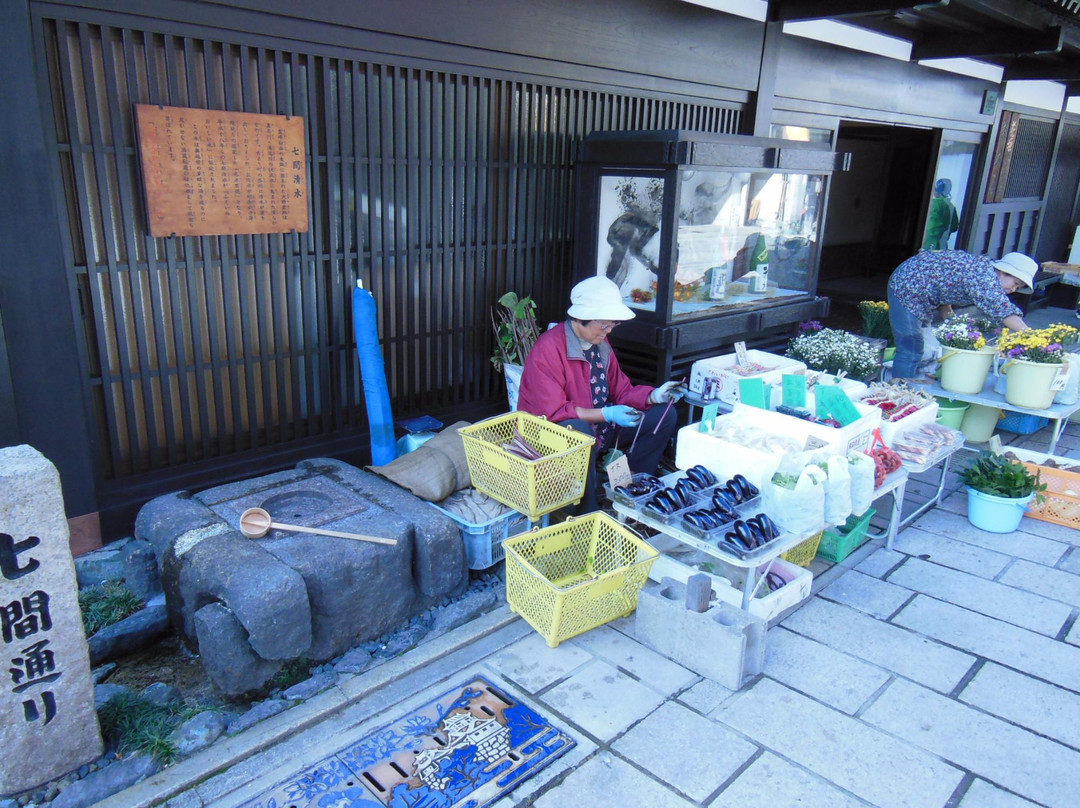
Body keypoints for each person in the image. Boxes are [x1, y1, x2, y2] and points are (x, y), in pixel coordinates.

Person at [517, 276, 685, 512]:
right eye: (604, 325)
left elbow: (622, 390)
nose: (608, 331)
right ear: (581, 319)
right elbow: (554, 412)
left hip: (600, 427)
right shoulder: (548, 349)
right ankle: (588, 510)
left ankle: (633, 489)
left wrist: (656, 395)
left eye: (612, 325)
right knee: (579, 431)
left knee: (663, 416)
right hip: (550, 435)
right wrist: (606, 413)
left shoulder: (601, 346)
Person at [887, 251, 1037, 380]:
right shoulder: (984, 278)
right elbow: (1004, 311)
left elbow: (944, 285)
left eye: (1018, 287)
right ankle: (898, 393)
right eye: (1015, 283)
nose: (1013, 289)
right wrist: (1032, 336)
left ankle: (911, 383)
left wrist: (952, 322)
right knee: (911, 347)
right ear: (1002, 271)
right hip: (907, 286)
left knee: (929, 343)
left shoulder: (982, 270)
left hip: (919, 286)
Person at [923, 178, 960, 251]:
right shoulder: (951, 206)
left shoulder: (935, 204)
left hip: (930, 245)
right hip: (943, 246)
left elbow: (931, 229)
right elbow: (954, 228)